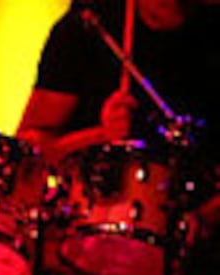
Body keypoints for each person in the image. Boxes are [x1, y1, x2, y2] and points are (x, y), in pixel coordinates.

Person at [18, 0, 220, 243]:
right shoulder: (89, 27)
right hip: (83, 238)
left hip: (199, 246)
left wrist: (205, 218)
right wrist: (101, 135)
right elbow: (29, 152)